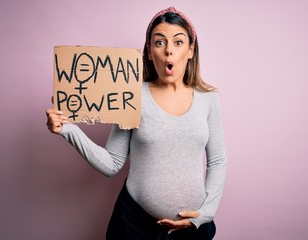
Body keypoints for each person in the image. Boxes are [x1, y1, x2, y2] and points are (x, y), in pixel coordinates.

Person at [46, 6, 227, 240]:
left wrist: (205, 214)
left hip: (192, 230)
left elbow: (218, 161)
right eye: (159, 42)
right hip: (134, 227)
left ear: (191, 50)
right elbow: (112, 163)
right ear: (150, 52)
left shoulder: (208, 98)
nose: (169, 51)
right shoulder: (132, 95)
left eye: (178, 42)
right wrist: (67, 129)